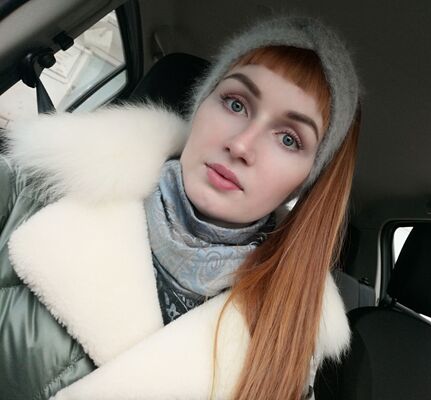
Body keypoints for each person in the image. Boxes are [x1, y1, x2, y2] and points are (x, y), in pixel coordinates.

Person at [0, 16, 360, 400]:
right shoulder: (37, 183)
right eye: (235, 103)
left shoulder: (291, 339)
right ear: (200, 104)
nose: (241, 145)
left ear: (305, 180)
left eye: (289, 139)